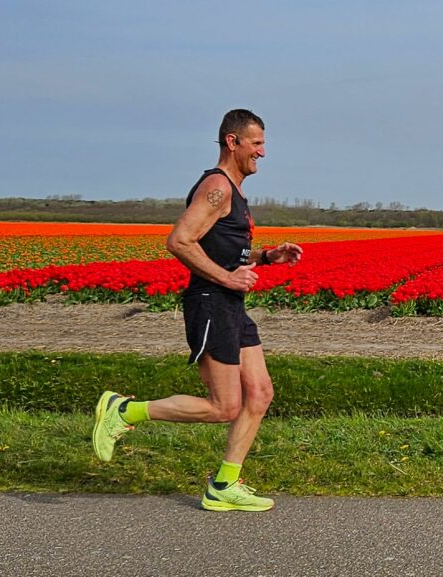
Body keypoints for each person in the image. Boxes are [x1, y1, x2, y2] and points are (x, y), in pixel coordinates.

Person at [92, 109, 302, 511]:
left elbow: (224, 250)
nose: (264, 152)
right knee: (224, 407)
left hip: (230, 305)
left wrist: (267, 256)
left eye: (263, 143)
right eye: (256, 143)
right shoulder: (217, 188)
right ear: (232, 142)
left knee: (259, 393)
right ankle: (124, 410)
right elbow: (180, 241)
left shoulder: (234, 193)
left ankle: (224, 484)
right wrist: (226, 279)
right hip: (211, 303)